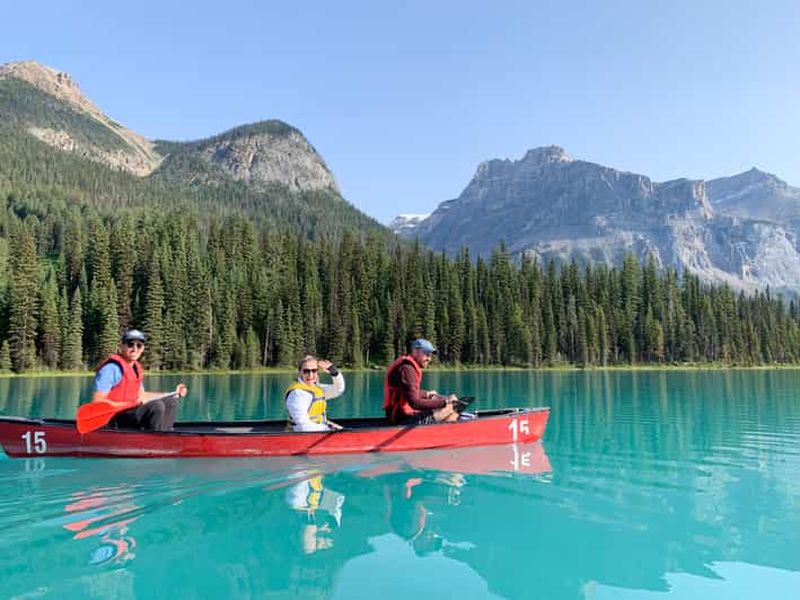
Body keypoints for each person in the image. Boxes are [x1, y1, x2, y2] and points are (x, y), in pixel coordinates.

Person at [92, 329, 188, 431]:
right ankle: (154, 438)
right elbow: (98, 402)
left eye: (139, 345)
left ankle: (165, 435)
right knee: (156, 406)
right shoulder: (110, 369)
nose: (135, 349)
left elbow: (142, 396)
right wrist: (128, 404)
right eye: (130, 344)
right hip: (113, 419)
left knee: (171, 401)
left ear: (143, 349)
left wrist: (173, 394)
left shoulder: (135, 369)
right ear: (122, 346)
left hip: (130, 413)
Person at [384, 339, 459, 425]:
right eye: (426, 354)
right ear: (415, 351)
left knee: (451, 413)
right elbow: (415, 403)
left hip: (401, 416)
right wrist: (445, 401)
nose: (429, 359)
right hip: (401, 420)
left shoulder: (406, 367)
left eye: (430, 355)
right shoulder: (407, 369)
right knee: (449, 410)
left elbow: (408, 392)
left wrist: (427, 394)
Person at [285, 355, 345, 432]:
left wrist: (334, 372)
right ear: (300, 372)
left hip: (318, 430)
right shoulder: (297, 393)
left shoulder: (316, 388)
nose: (310, 375)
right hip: (304, 435)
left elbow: (338, 390)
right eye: (306, 371)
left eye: (314, 371)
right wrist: (328, 428)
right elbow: (303, 426)